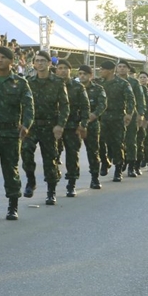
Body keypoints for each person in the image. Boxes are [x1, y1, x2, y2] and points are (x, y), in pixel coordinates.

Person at [0, 47, 34, 220]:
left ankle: (12, 205)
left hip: (10, 131)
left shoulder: (20, 83)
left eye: (3, 57)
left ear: (11, 61)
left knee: (10, 168)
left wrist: (26, 125)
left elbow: (29, 106)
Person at [20, 51, 68, 205]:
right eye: (37, 61)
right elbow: (22, 104)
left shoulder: (58, 82)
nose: (39, 63)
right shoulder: (28, 82)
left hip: (49, 126)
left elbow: (65, 106)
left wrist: (60, 125)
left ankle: (51, 191)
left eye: (42, 61)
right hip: (31, 126)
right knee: (26, 153)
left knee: (50, 159)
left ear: (49, 63)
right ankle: (31, 180)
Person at [54, 60, 90, 197]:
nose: (62, 71)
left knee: (72, 155)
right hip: (54, 125)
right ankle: (53, 178)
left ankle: (71, 183)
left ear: (70, 71)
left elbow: (85, 107)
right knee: (52, 154)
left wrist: (83, 124)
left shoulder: (77, 87)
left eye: (65, 68)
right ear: (56, 70)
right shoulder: (52, 84)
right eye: (60, 68)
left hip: (72, 126)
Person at [98, 60, 135, 183]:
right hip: (102, 117)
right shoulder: (99, 84)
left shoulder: (123, 84)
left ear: (109, 70)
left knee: (117, 144)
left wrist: (129, 114)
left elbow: (130, 99)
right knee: (100, 142)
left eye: (102, 69)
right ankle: (104, 161)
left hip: (118, 117)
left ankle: (118, 170)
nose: (100, 71)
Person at [78, 65, 107, 189]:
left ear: (90, 75)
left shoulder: (98, 89)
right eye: (80, 74)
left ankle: (95, 177)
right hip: (76, 124)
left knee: (93, 151)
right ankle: (72, 181)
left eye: (84, 74)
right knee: (73, 153)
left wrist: (93, 115)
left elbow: (103, 104)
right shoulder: (73, 88)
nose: (82, 76)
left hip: (92, 124)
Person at [117, 61, 145, 177]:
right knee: (117, 141)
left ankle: (131, 166)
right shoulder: (112, 81)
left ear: (128, 69)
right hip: (116, 116)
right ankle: (120, 161)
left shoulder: (134, 82)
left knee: (131, 141)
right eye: (120, 67)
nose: (122, 69)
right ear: (116, 69)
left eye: (124, 67)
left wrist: (140, 114)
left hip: (131, 115)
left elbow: (140, 99)